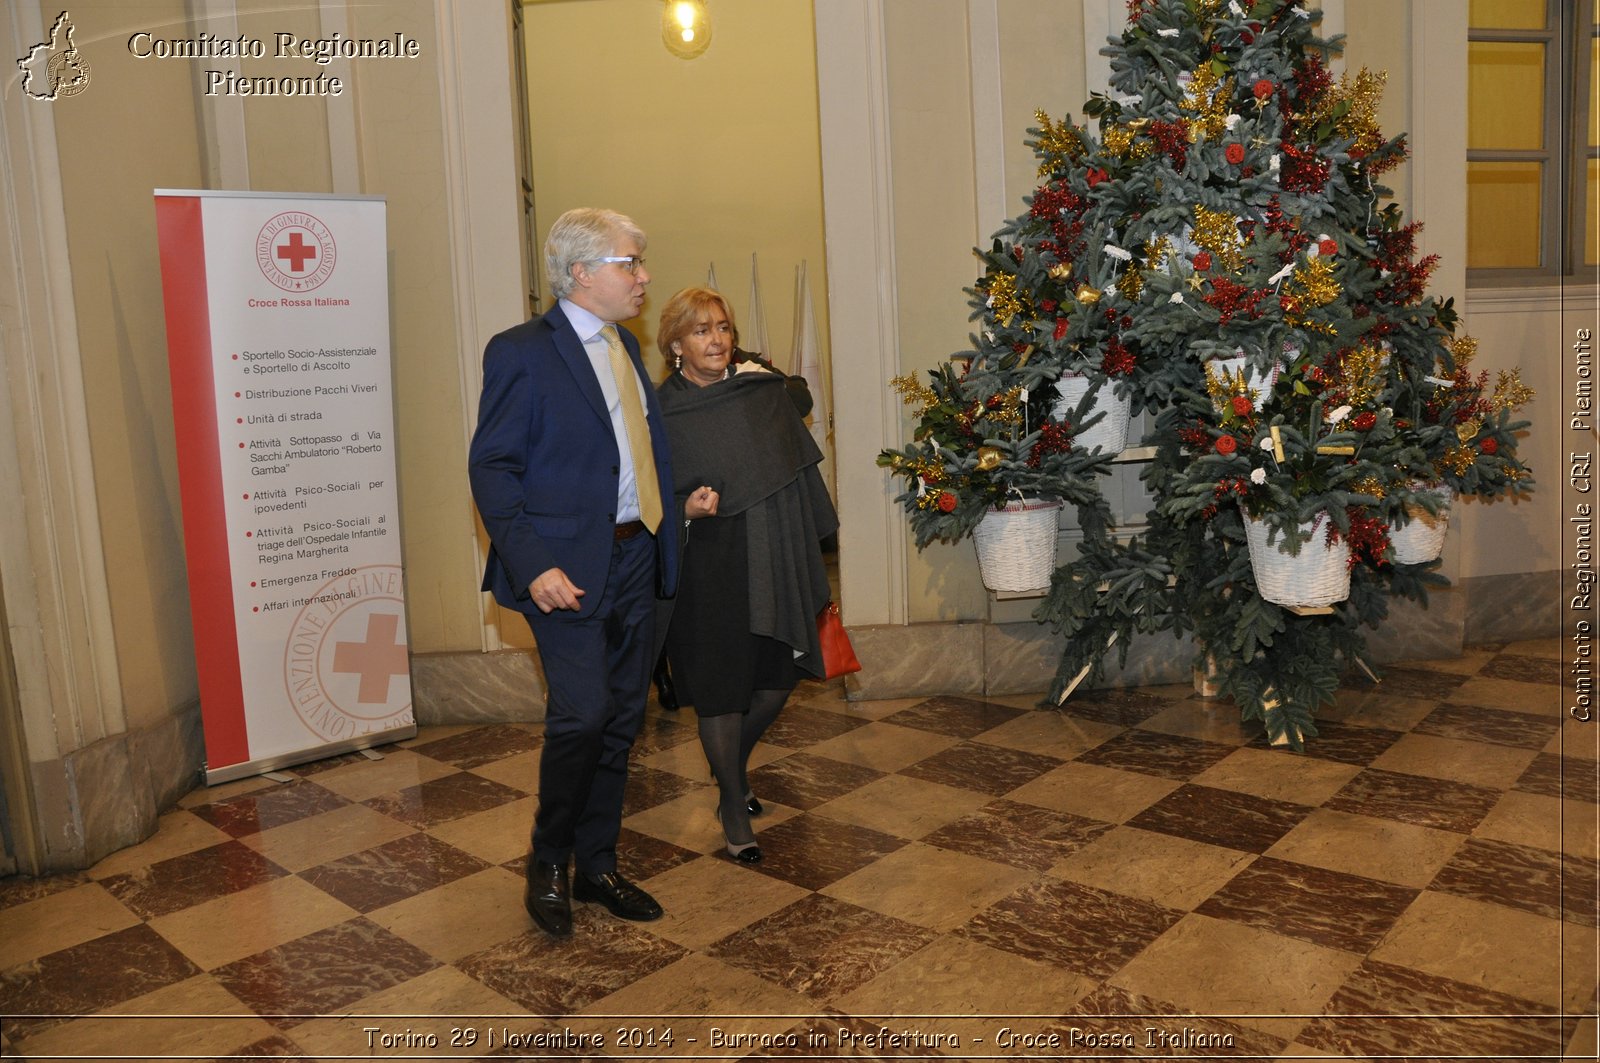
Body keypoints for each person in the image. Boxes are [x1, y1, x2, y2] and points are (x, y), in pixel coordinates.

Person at [468, 209, 718, 937]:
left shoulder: (625, 347)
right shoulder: (520, 353)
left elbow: (629, 456)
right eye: (629, 263)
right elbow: (493, 468)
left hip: (637, 555)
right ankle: (548, 860)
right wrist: (532, 561)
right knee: (579, 715)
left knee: (621, 719)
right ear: (580, 273)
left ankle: (597, 864)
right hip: (564, 570)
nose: (643, 276)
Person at [654, 287, 837, 863]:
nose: (717, 339)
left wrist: (771, 374)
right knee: (718, 690)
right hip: (707, 561)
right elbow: (642, 491)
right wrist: (684, 506)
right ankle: (734, 803)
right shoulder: (661, 411)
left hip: (769, 548)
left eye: (723, 327)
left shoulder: (759, 392)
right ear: (676, 345)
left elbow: (795, 433)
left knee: (777, 680)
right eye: (702, 330)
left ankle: (728, 773)